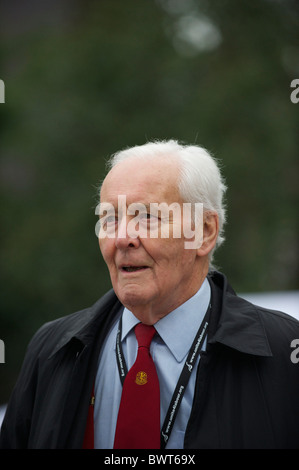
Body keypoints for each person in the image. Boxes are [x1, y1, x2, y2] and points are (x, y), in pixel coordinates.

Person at [1, 139, 299, 449]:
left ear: (205, 232)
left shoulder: (283, 354)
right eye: (110, 218)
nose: (122, 238)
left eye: (146, 217)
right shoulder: (53, 350)